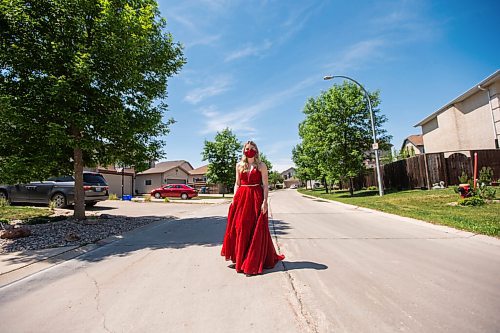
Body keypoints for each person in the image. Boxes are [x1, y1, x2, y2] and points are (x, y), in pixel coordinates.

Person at [221, 140, 285, 276]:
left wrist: (265, 202)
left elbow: (265, 185)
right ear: (244, 150)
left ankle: (252, 261)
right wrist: (233, 199)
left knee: (255, 228)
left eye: (252, 148)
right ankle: (241, 258)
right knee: (240, 228)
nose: (249, 150)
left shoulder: (261, 165)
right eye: (247, 148)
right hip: (241, 198)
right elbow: (237, 183)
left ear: (256, 150)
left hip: (256, 197)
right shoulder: (239, 165)